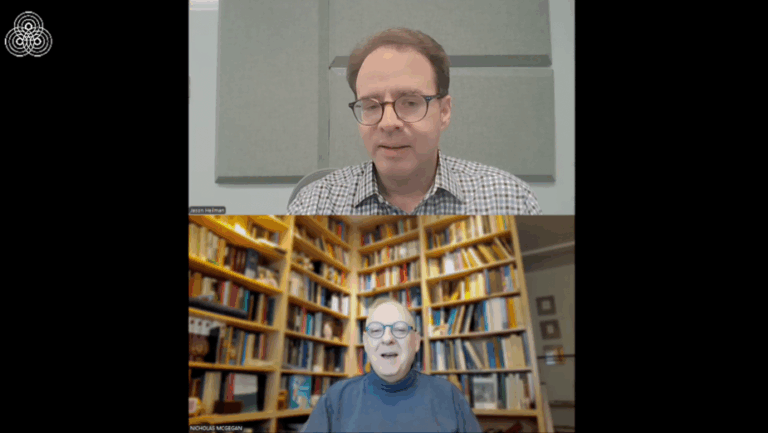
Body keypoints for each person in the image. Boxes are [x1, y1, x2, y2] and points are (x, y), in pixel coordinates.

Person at [288, 27, 542, 215]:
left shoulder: (511, 199)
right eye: (371, 105)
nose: (388, 123)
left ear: (444, 111)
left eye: (410, 102)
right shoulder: (314, 203)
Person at [300, 299, 483, 432]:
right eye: (376, 330)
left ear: (416, 342)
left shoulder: (449, 396)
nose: (388, 339)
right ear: (365, 342)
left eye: (400, 330)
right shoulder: (336, 398)